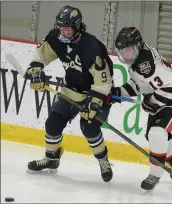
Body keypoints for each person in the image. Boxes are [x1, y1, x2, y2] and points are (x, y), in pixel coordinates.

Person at [25, 5, 114, 182]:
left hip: (96, 92)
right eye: (61, 27)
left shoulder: (91, 47)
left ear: (78, 27)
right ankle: (52, 159)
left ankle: (103, 160)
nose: (63, 31)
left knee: (89, 128)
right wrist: (36, 72)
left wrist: (95, 103)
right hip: (71, 90)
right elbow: (40, 56)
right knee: (52, 124)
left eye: (68, 28)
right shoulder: (55, 38)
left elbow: (104, 81)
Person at [111, 27, 172, 190]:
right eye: (123, 51)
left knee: (157, 134)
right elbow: (139, 86)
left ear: (137, 46)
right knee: (156, 137)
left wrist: (152, 102)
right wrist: (117, 93)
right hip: (161, 102)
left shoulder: (145, 63)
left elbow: (171, 86)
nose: (125, 55)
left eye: (128, 50)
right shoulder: (136, 60)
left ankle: (155, 175)